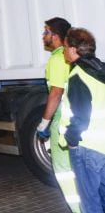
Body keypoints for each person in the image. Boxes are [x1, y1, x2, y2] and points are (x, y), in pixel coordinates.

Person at [35, 17, 80, 212]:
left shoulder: (57, 59)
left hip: (62, 122)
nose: (44, 35)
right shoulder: (72, 56)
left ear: (56, 36)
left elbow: (56, 92)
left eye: (46, 31)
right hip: (75, 119)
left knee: (63, 171)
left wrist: (44, 124)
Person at [58, 27, 105, 212]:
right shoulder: (101, 70)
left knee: (90, 202)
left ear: (73, 49)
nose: (63, 51)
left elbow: (80, 117)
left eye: (65, 47)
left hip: (87, 148)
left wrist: (70, 140)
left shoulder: (78, 76)